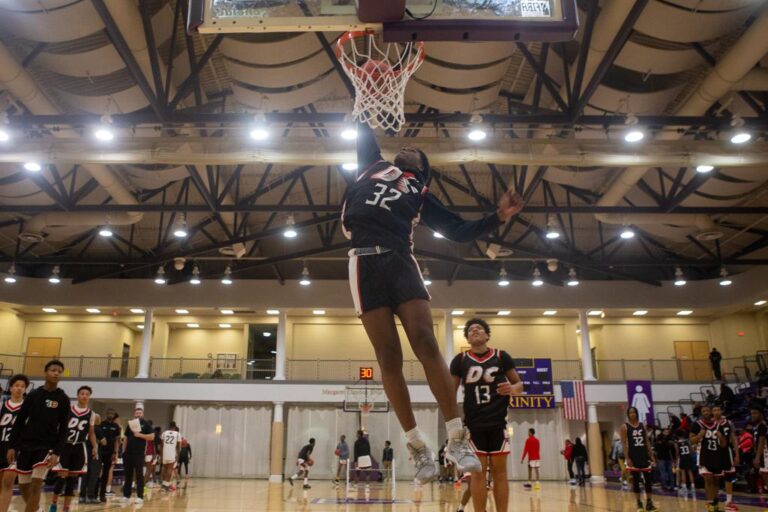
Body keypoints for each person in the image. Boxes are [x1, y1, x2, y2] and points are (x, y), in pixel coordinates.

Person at [346, 122, 524, 483]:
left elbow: (458, 231)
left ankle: (456, 439)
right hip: (363, 261)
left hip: (399, 259)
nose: (408, 147)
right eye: (405, 147)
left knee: (426, 343)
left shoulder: (421, 193)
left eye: (416, 151)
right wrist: (366, 80)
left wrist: (499, 216)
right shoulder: (372, 163)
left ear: (422, 169)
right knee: (388, 357)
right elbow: (361, 126)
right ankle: (416, 447)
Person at [450, 318, 523, 512]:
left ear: (487, 335)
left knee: (500, 473)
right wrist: (453, 422)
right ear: (466, 337)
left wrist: (512, 388)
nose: (474, 330)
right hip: (474, 424)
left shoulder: (501, 356)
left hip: (498, 422)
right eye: (471, 330)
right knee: (477, 474)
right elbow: (450, 392)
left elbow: (519, 385)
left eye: (479, 328)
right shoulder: (460, 360)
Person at [8, 360, 70, 512]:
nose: (56, 373)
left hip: (46, 447)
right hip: (26, 445)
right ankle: (36, 510)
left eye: (59, 371)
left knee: (36, 485)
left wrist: (57, 452)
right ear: (46, 372)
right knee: (24, 486)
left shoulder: (63, 399)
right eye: (53, 370)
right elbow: (20, 421)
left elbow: (64, 428)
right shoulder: (33, 395)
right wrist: (12, 446)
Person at [49, 386, 98, 512]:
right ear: (77, 396)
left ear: (89, 397)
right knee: (62, 477)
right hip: (65, 446)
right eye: (82, 393)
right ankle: (53, 504)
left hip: (79, 447)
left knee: (72, 479)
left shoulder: (91, 414)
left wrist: (95, 446)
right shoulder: (68, 410)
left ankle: (66, 507)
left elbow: (91, 433)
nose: (84, 396)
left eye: (87, 394)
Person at [0, 374, 29, 512]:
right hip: (0, 446)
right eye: (16, 385)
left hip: (16, 450)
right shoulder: (2, 406)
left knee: (7, 483)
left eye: (22, 386)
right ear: (10, 388)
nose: (19, 388)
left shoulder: (28, 409)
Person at [621, 406, 658, 512]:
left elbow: (647, 441)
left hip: (644, 455)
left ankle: (649, 503)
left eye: (634, 412)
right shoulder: (624, 426)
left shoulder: (642, 425)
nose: (632, 414)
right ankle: (639, 503)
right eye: (630, 412)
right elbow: (624, 443)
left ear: (637, 413)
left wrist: (651, 455)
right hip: (633, 456)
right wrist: (627, 457)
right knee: (636, 481)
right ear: (628, 415)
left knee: (648, 480)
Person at [691, 404, 725, 512]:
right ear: (701, 413)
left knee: (716, 482)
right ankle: (710, 504)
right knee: (708, 479)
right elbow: (691, 440)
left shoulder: (718, 425)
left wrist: (721, 437)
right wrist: (700, 435)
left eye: (707, 411)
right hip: (703, 456)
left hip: (716, 456)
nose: (706, 412)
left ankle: (715, 504)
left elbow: (724, 444)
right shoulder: (696, 425)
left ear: (711, 412)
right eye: (703, 411)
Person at [122, 407, 155, 504]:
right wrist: (123, 451)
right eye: (137, 413)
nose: (138, 414)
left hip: (139, 453)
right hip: (128, 453)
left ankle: (140, 496)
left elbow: (152, 437)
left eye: (140, 413)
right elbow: (126, 438)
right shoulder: (130, 424)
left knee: (139, 475)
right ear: (134, 414)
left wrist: (140, 435)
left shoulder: (146, 424)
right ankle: (126, 495)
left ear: (143, 414)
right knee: (128, 475)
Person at [713, 405, 739, 511]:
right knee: (715, 477)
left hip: (726, 452)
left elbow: (734, 438)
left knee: (729, 476)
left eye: (718, 409)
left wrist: (737, 454)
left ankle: (729, 501)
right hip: (714, 452)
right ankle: (715, 501)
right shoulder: (709, 424)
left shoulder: (729, 423)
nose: (716, 411)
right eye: (714, 410)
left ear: (721, 411)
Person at [97, 409, 120, 502]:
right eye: (109, 413)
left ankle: (102, 494)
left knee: (106, 474)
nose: (110, 414)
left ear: (114, 415)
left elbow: (117, 441)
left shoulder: (116, 426)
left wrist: (115, 453)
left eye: (112, 413)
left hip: (110, 453)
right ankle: (93, 493)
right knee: (97, 472)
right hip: (100, 451)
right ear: (106, 414)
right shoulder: (101, 424)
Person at [79, 411, 101, 504]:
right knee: (93, 476)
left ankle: (82, 497)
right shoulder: (97, 429)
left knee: (85, 476)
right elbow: (104, 442)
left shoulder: (85, 428)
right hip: (94, 454)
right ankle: (90, 496)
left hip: (84, 454)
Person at [673, 429, 695, 497]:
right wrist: (690, 455)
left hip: (682, 458)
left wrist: (676, 460)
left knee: (683, 472)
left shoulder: (677, 443)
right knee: (690, 472)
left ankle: (684, 488)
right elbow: (692, 450)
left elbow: (677, 453)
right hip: (688, 457)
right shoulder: (687, 441)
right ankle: (693, 487)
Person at [160, 422, 181, 491]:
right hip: (172, 453)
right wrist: (177, 456)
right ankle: (166, 485)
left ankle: (163, 484)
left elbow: (161, 445)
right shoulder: (177, 434)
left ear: (169, 426)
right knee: (170, 469)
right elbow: (178, 447)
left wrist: (161, 455)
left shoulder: (164, 433)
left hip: (165, 453)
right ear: (175, 427)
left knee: (164, 468)